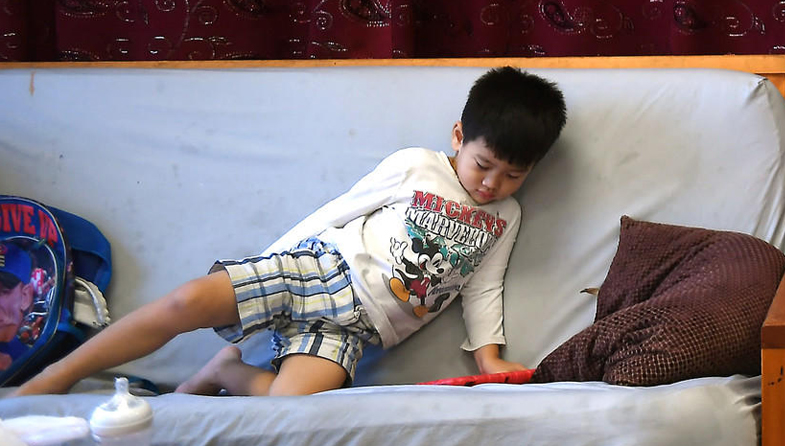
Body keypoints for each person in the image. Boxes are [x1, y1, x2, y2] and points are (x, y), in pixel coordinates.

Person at [14, 67, 567, 397]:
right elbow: (337, 212)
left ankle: (227, 372)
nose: (493, 184)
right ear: (458, 136)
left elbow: (482, 287)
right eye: (484, 164)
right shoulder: (418, 166)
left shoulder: (505, 219)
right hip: (315, 271)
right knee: (185, 302)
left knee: (292, 405)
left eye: (513, 175)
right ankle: (58, 376)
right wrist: (267, 266)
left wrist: (489, 356)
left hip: (361, 332)